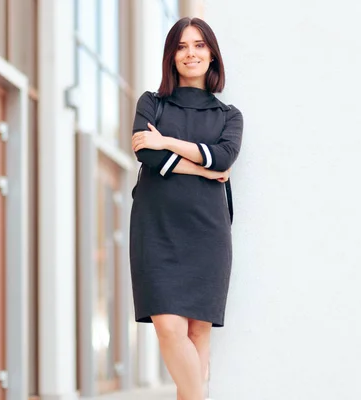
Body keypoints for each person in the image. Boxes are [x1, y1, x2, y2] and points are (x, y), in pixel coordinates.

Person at [129, 17, 243, 400]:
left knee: (197, 334)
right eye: (181, 46)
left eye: (198, 45)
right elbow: (146, 151)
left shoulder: (229, 116)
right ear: (171, 55)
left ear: (211, 54)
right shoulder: (152, 103)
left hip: (207, 232)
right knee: (169, 328)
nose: (190, 53)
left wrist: (170, 143)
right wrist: (203, 167)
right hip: (156, 228)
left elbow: (224, 156)